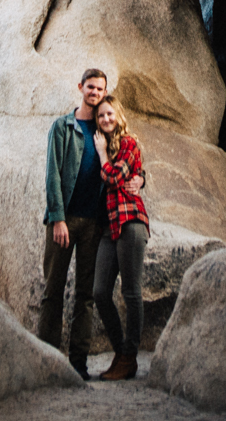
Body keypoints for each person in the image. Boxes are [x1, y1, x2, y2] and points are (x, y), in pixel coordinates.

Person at [38, 67, 108, 376]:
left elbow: (128, 161)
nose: (95, 93)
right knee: (52, 291)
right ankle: (47, 360)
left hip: (94, 224)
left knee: (86, 295)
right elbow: (52, 175)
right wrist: (57, 218)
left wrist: (140, 178)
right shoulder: (63, 127)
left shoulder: (106, 128)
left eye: (100, 89)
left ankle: (78, 362)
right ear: (80, 87)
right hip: (64, 221)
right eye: (91, 87)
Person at [90, 94, 149, 382]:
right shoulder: (102, 143)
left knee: (131, 291)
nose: (106, 119)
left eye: (110, 114)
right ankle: (122, 353)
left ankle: (130, 357)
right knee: (100, 292)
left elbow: (114, 177)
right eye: (101, 116)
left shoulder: (128, 142)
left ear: (119, 115)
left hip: (130, 221)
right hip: (109, 228)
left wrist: (103, 155)